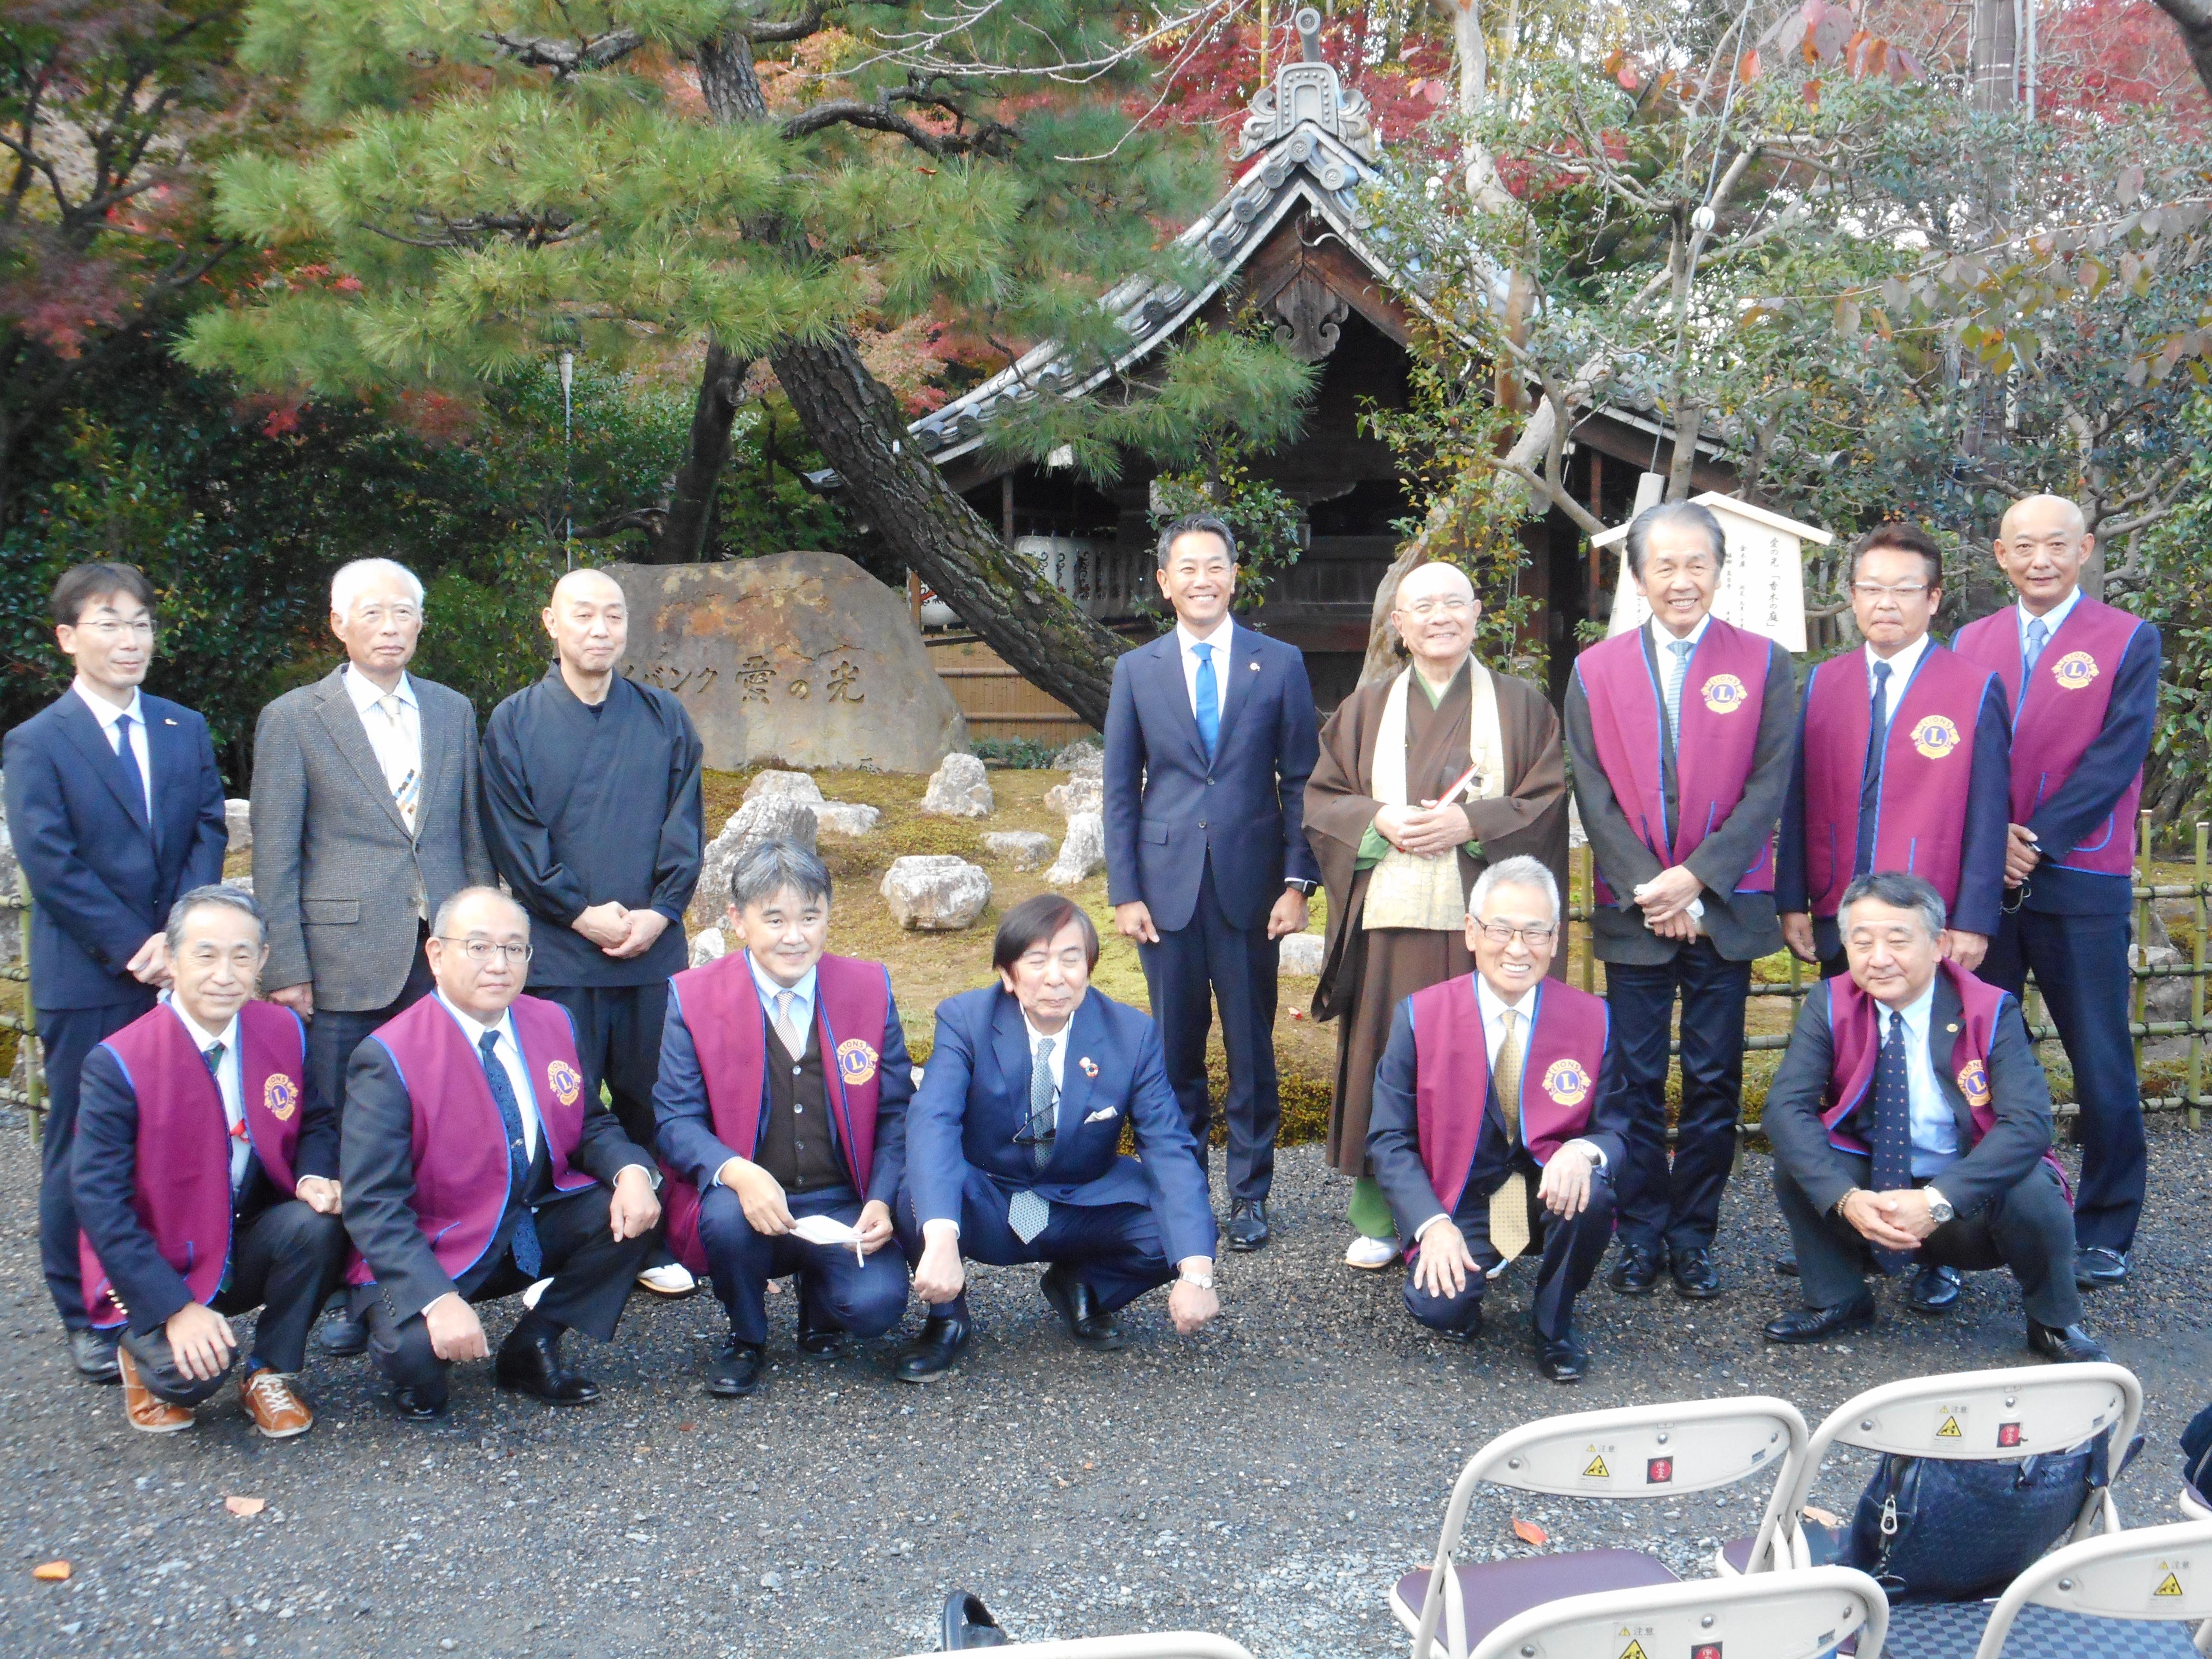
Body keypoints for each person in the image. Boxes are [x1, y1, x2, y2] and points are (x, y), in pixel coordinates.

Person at [252, 556, 495, 1355]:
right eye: (373, 613)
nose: (391, 626)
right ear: (338, 623)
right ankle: (346, 1290)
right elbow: (276, 854)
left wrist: (484, 936)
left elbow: (468, 832)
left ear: (422, 622)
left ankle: (415, 1279)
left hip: (441, 953)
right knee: (345, 1126)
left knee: (435, 1118)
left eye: (405, 612)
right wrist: (285, 962)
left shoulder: (454, 710)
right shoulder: (295, 716)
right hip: (343, 954)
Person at [1304, 561, 1570, 1272]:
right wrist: (1377, 817)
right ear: (1399, 623)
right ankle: (1382, 1216)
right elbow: (1323, 799)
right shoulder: (1362, 711)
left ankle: (1506, 1221)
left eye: (1453, 603)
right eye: (1421, 606)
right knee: (1386, 1063)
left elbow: (1545, 800)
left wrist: (1471, 824)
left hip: (1490, 931)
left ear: (1477, 612)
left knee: (1499, 1068)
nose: (1439, 617)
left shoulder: (1521, 706)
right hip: (1392, 923)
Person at [3, 562, 229, 1382]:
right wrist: (139, 944)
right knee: (81, 1147)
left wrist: (182, 933)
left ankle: (176, 1280)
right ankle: (83, 1310)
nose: (130, 638)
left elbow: (207, 827)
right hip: (92, 976)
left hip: (180, 970)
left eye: (140, 622)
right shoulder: (36, 742)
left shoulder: (183, 726)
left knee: (181, 1131)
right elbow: (50, 861)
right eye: (109, 622)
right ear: (68, 637)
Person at [1565, 502, 1796, 1301]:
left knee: (1711, 1076)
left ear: (1719, 569)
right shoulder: (1596, 668)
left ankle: (1694, 1232)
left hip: (1721, 907)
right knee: (1629, 1079)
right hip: (1637, 908)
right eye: (1663, 564)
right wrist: (1652, 887)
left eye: (1696, 562)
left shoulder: (1764, 663)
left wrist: (1696, 879)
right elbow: (1590, 788)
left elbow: (1770, 785)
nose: (1681, 579)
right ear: (1636, 576)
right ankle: (1639, 1229)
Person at [340, 887, 662, 1419]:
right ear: (436, 956)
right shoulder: (389, 1055)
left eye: (515, 949)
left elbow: (587, 1124)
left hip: (525, 1223)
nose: (499, 964)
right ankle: (393, 1321)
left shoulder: (551, 1022)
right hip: (438, 1241)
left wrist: (631, 1169)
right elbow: (373, 1204)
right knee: (418, 1364)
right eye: (480, 947)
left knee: (642, 1198)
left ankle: (532, 1344)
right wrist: (437, 1299)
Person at [1759, 872, 2107, 1363]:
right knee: (1801, 1156)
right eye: (1862, 942)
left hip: (1964, 1198)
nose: (1878, 959)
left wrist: (1938, 1201)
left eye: (1897, 940)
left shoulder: (1988, 1009)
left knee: (2030, 1184)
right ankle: (1838, 1297)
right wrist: (1845, 1199)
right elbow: (1784, 1108)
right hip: (1874, 1188)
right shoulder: (1830, 1002)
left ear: (1939, 944)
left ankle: (2053, 1319)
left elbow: (2028, 1125)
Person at [1952, 494, 2160, 1293]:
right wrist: (1989, 836)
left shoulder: (2126, 637)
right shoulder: (1971, 641)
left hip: (2080, 872)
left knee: (2100, 1054)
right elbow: (1959, 751)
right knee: (1977, 1057)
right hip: (1985, 877)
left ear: (2086, 550)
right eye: (2023, 545)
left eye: (2056, 545)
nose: (2039, 558)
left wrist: (2032, 837)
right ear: (1999, 554)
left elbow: (2117, 754)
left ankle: (2106, 1224)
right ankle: (1980, 1213)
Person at [482, 567, 705, 1299]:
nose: (600, 628)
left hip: (649, 945)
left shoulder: (663, 715)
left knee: (651, 1094)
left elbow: (684, 823)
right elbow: (516, 834)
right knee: (561, 1101)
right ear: (552, 621)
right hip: (560, 948)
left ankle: (654, 1238)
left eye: (613, 615)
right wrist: (576, 910)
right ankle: (563, 1243)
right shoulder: (514, 720)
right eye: (584, 614)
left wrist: (660, 910)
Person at [1103, 514, 1321, 1252]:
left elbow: (1300, 781)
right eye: (1186, 568)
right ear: (1165, 582)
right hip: (1163, 888)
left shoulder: (1279, 662)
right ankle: (1182, 1184)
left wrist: (1297, 881)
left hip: (1251, 886)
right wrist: (1125, 890)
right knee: (1173, 1049)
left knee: (1251, 1045)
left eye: (1215, 565)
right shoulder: (1138, 669)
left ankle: (1251, 1193)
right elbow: (1119, 790)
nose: (1203, 579)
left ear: (1235, 575)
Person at [893, 894, 1220, 1382]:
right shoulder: (965, 1021)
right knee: (917, 1194)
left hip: (1076, 1201)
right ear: (1008, 974)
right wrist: (940, 1237)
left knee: (1177, 1231)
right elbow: (933, 1122)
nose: (1056, 976)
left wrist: (1197, 1273)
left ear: (1088, 967)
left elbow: (1170, 1148)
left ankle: (1081, 1286)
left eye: (1071, 959)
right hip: (989, 1196)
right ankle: (947, 1320)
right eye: (1037, 960)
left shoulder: (1131, 1035)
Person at [72, 887, 346, 1437]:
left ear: (263, 962)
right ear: (170, 960)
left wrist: (315, 1176)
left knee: (321, 1221)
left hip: (238, 1239)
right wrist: (173, 1307)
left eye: (242, 956)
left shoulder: (282, 1029)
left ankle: (270, 1371)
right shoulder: (118, 1062)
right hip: (159, 1260)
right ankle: (140, 1349)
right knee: (191, 1380)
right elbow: (99, 1203)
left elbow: (316, 1121)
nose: (226, 973)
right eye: (205, 955)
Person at [653, 840, 912, 1398]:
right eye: (774, 919)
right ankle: (747, 1335)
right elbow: (675, 1120)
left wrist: (883, 1198)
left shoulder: (869, 988)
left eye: (810, 918)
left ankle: (821, 1306)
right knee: (724, 1219)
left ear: (828, 918)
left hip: (843, 1197)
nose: (794, 937)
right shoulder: (694, 997)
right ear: (737, 921)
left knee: (875, 1310)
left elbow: (895, 1113)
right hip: (748, 1202)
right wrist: (738, 1172)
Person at [1366, 857, 1626, 1382]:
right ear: (1471, 931)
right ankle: (1466, 1275)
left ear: (1555, 941)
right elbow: (1388, 1141)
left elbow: (1617, 1128)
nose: (1516, 947)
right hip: (1460, 1197)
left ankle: (1554, 1325)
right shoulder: (1419, 1016)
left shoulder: (1591, 1018)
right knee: (1440, 1309)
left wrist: (1582, 1152)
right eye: (1501, 929)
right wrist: (1431, 1224)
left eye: (1534, 932)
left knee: (1592, 1191)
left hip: (1541, 1194)